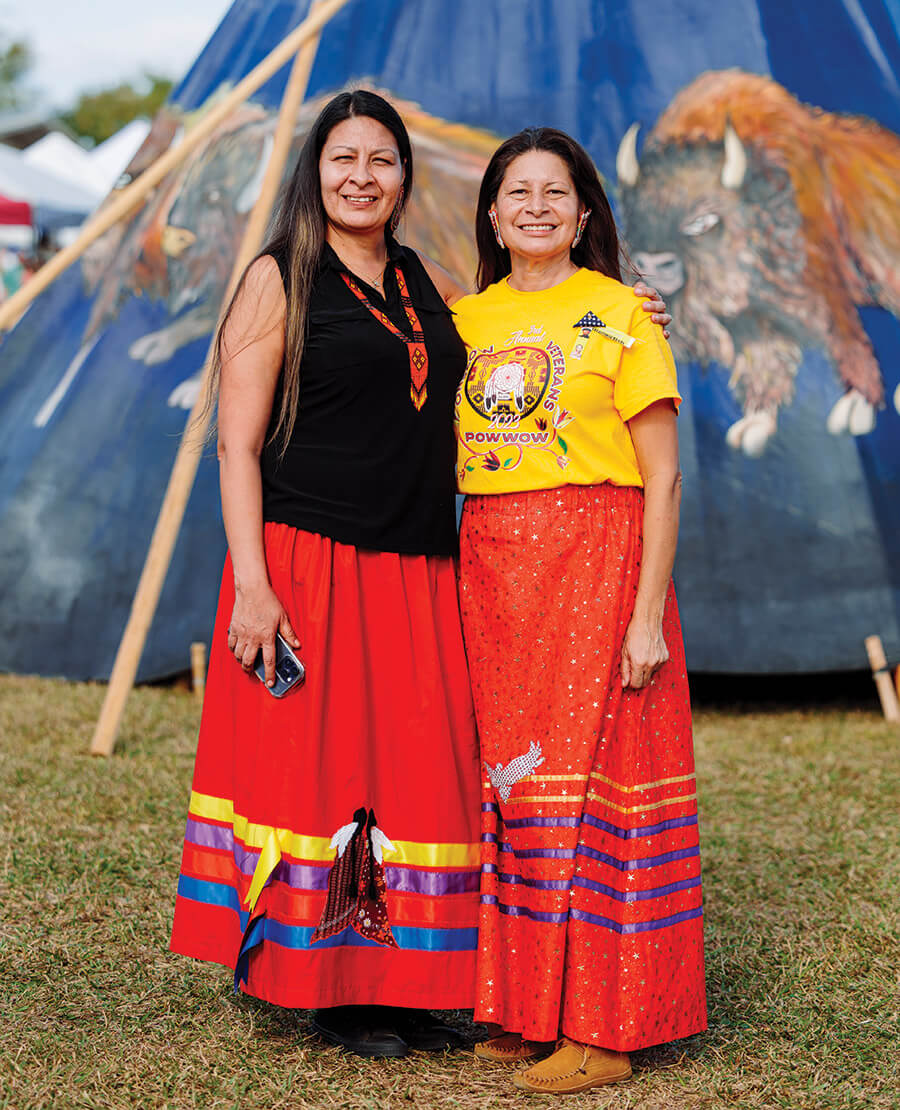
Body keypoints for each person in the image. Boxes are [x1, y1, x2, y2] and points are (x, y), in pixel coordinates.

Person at [169, 91, 671, 1060]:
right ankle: (335, 985)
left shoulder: (421, 281)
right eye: (343, 158)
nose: (362, 176)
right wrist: (254, 584)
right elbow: (234, 447)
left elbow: (532, 322)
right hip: (311, 559)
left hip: (419, 565)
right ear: (314, 171)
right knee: (328, 776)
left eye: (382, 160)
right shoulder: (277, 279)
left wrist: (629, 305)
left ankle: (405, 976)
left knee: (415, 777)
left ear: (404, 179)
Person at [452, 127, 706, 1095]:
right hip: (498, 573)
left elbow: (665, 477)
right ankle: (526, 1008)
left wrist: (647, 613)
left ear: (584, 212)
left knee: (602, 787)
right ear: (491, 212)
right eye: (518, 192)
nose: (536, 207)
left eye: (555, 192)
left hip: (600, 563)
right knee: (518, 791)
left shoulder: (624, 317)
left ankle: (605, 1029)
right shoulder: (463, 320)